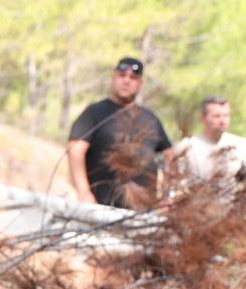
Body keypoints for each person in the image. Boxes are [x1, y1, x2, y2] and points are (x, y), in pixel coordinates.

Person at [67, 57, 172, 210]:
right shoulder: (95, 113)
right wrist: (83, 191)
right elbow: (75, 150)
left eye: (133, 78)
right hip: (100, 207)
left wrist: (167, 194)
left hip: (143, 212)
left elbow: (170, 156)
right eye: (122, 76)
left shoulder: (150, 118)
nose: (126, 81)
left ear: (140, 84)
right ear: (113, 78)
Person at [168, 96, 246, 204]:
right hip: (195, 213)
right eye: (216, 116)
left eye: (226, 115)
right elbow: (172, 183)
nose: (222, 121)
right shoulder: (187, 147)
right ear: (203, 118)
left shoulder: (241, 146)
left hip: (232, 213)